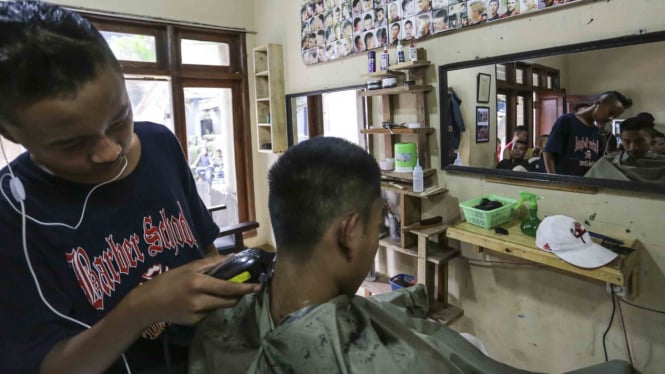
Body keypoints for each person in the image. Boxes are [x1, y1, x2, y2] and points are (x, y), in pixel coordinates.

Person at [189, 137, 636, 373]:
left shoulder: (218, 324)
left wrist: (407, 301)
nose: (380, 235)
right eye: (379, 223)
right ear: (348, 233)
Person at [0, 2, 259, 373]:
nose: (109, 151)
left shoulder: (159, 144)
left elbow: (204, 252)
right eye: (72, 145)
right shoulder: (12, 217)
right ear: (12, 133)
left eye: (120, 119)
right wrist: (142, 308)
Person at [543, 91, 632, 176]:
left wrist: (602, 130)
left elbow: (601, 161)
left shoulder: (599, 132)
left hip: (587, 182)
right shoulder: (567, 121)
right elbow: (548, 152)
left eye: (615, 116)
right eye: (610, 113)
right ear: (598, 103)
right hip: (565, 182)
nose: (611, 118)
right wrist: (553, 179)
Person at [585, 116, 665, 183]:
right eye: (627, 141)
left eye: (640, 141)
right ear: (621, 139)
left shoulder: (662, 164)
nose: (633, 147)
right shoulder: (606, 163)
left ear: (651, 138)